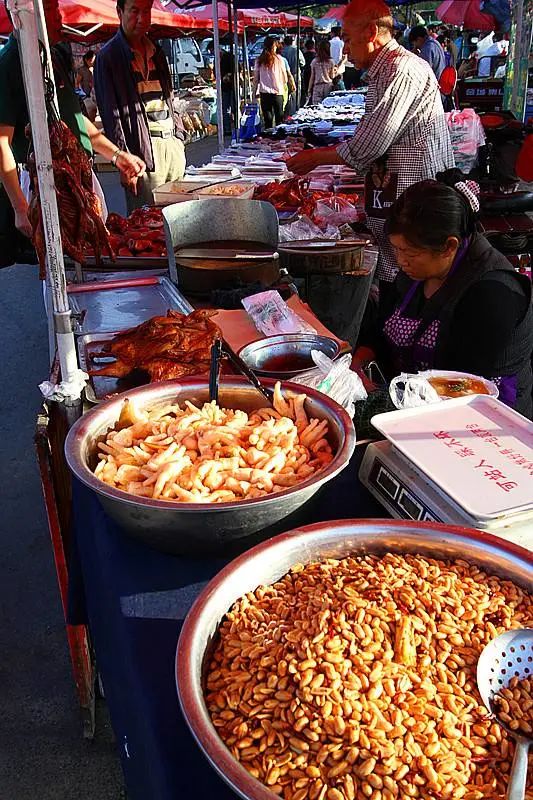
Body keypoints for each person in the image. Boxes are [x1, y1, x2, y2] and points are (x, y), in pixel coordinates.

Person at [287, 0, 454, 304]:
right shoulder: (385, 71)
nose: (345, 50)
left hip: (415, 204)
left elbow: (369, 145)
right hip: (399, 201)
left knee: (407, 291)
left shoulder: (400, 69)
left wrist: (314, 158)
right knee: (398, 281)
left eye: (348, 39)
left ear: (372, 32)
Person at [355, 173, 533, 418]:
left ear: (449, 246)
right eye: (397, 249)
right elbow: (382, 327)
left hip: (482, 422)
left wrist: (385, 401)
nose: (400, 261)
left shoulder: (492, 294)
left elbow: (460, 387)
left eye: (410, 253)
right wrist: (359, 361)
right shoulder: (416, 272)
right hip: (409, 402)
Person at [0, 25, 145, 259]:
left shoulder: (54, 55)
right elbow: (1, 143)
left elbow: (75, 118)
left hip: (81, 172)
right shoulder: (9, 64)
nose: (57, 13)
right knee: (61, 266)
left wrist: (117, 155)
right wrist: (19, 206)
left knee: (99, 252)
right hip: (44, 182)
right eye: (49, 5)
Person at [94, 0, 186, 211]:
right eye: (134, 11)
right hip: (142, 153)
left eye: (146, 11)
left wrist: (179, 138)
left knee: (182, 217)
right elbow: (111, 116)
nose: (142, 19)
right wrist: (124, 161)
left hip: (171, 145)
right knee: (148, 225)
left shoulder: (158, 52)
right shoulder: (108, 57)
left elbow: (169, 99)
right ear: (120, 12)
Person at [253, 36, 294, 129]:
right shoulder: (280, 59)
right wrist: (284, 85)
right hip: (277, 93)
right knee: (279, 120)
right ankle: (279, 141)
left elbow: (256, 79)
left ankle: (268, 140)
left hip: (264, 93)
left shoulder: (259, 60)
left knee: (268, 120)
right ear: (274, 46)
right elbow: (284, 76)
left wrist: (253, 93)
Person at [308, 40, 338, 105]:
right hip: (328, 86)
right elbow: (332, 76)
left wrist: (309, 89)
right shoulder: (331, 61)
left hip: (317, 86)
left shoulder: (314, 61)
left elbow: (312, 77)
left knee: (316, 107)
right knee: (328, 106)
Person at [281, 35, 305, 115]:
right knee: (295, 95)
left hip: (284, 76)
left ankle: (286, 113)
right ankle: (295, 112)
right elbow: (302, 63)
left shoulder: (282, 51)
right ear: (292, 41)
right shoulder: (296, 50)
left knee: (285, 94)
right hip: (295, 74)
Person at [302, 38, 316, 103]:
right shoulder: (316, 56)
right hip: (315, 76)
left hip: (306, 74)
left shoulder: (304, 55)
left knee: (307, 92)